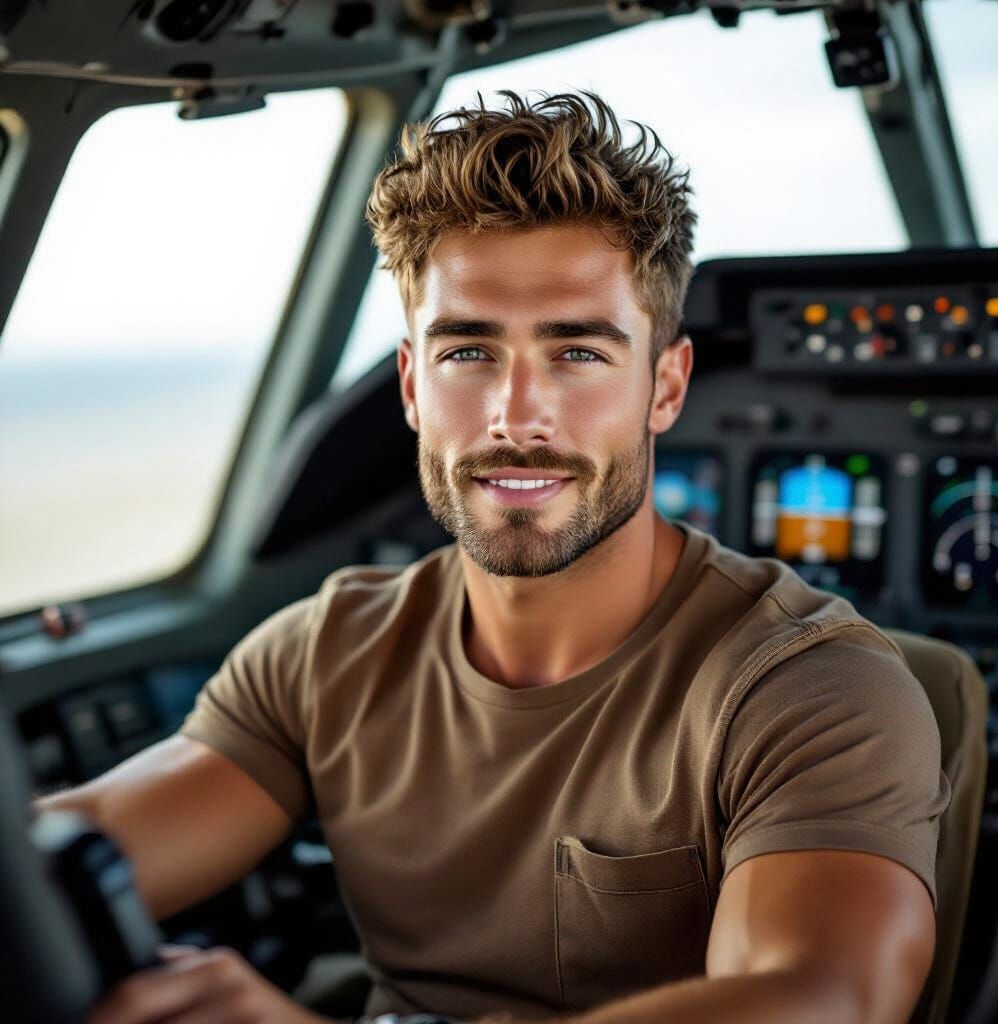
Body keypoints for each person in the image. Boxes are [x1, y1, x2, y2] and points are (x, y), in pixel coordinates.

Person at [43, 91, 949, 1024]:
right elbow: (72, 852)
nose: (517, 417)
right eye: (469, 352)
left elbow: (813, 998)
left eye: (578, 354)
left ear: (665, 386)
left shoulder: (811, 689)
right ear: (411, 385)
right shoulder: (327, 652)